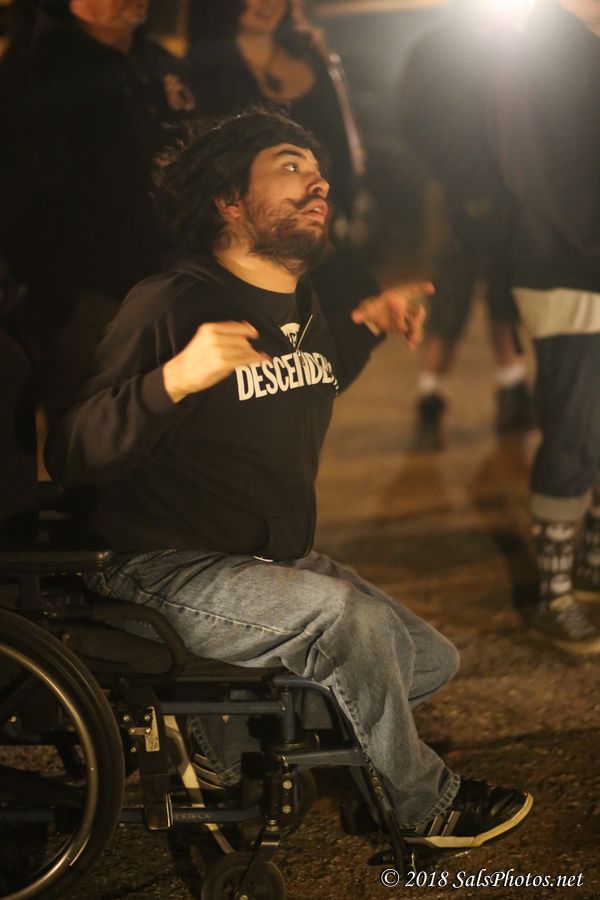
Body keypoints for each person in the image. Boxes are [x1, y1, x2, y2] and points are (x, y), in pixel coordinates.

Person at [45, 109, 532, 846]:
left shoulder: (300, 305)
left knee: (430, 660)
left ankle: (231, 740)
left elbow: (305, 380)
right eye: (290, 166)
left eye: (319, 171)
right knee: (351, 626)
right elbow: (72, 450)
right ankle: (420, 805)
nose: (319, 182)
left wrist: (368, 325)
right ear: (229, 201)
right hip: (160, 566)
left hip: (266, 559)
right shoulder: (172, 301)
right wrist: (172, 379)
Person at [0, 0, 196, 407]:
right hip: (84, 293)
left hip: (171, 275)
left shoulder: (157, 62)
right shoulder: (39, 69)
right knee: (91, 416)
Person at [487, 0, 600, 652]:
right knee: (573, 426)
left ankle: (590, 570)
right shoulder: (539, 48)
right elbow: (537, 168)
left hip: (579, 258)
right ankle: (553, 595)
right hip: (563, 265)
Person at [397, 0, 533, 451]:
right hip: (462, 188)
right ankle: (431, 398)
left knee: (501, 289)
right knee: (452, 289)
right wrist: (452, 167)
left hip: (503, 187)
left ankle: (510, 387)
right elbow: (412, 121)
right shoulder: (435, 48)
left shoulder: (510, 42)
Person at [186, 0, 369, 248]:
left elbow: (342, 140)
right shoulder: (206, 70)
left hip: (327, 216)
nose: (269, 3)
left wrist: (344, 203)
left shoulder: (312, 54)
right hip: (255, 229)